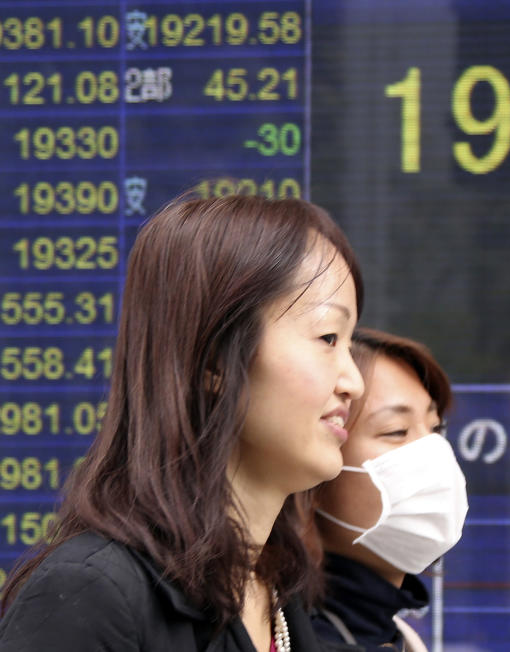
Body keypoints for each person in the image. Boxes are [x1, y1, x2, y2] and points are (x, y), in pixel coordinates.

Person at [0, 194, 365, 652]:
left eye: (350, 345)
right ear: (214, 357)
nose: (354, 382)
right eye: (328, 337)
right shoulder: (90, 596)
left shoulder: (277, 594)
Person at [299, 328, 468, 651]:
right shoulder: (284, 635)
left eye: (435, 429)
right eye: (396, 431)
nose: (433, 453)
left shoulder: (395, 636)